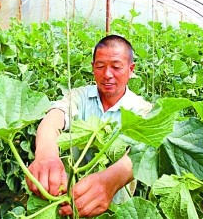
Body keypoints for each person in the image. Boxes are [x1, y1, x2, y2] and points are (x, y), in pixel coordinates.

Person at [26, 34, 152, 217]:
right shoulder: (79, 96)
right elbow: (55, 116)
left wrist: (110, 181)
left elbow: (144, 152)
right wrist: (46, 154)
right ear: (93, 68)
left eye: (116, 67)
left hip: (116, 210)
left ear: (131, 69)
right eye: (100, 66)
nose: (107, 74)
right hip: (67, 202)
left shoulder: (142, 109)